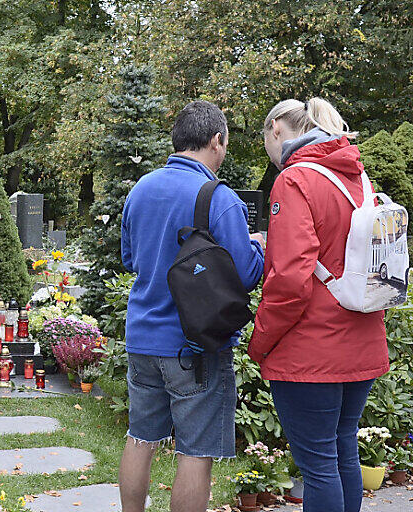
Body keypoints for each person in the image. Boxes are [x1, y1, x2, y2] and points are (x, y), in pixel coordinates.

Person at [119, 100, 265, 512]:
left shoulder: (140, 188)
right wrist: (260, 247)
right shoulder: (218, 197)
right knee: (195, 453)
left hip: (143, 337)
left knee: (140, 438)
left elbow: (130, 260)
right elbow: (245, 274)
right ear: (216, 141)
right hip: (194, 346)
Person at [249, 97, 387, 512]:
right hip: (361, 341)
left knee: (319, 466)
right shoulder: (358, 178)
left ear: (276, 129)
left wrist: (261, 342)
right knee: (343, 450)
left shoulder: (294, 180)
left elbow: (290, 280)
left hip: (310, 352)